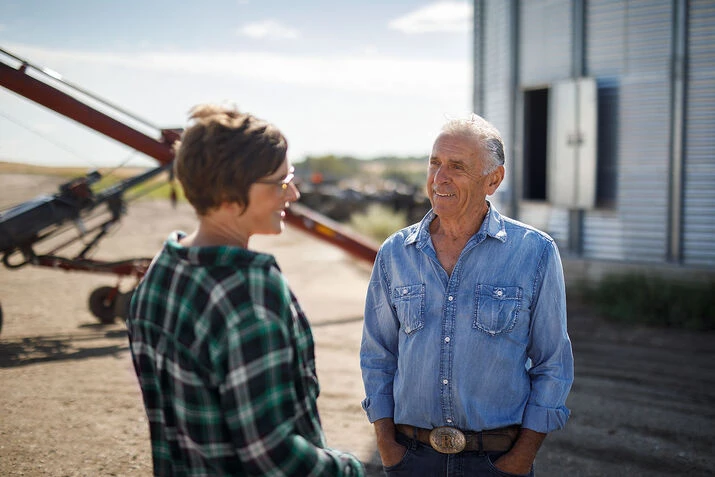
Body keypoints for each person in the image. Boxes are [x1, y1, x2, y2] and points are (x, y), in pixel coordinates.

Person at [127, 104, 364, 476]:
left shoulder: (161, 273)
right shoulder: (250, 293)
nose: (294, 195)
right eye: (281, 182)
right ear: (228, 193)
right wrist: (351, 470)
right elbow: (271, 454)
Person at [360, 114, 574, 476]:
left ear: (493, 179)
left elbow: (553, 364)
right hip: (411, 459)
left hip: (496, 461)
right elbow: (377, 355)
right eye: (435, 163)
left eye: (457, 167)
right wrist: (386, 446)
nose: (440, 178)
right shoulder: (396, 253)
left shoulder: (535, 252)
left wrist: (520, 459)